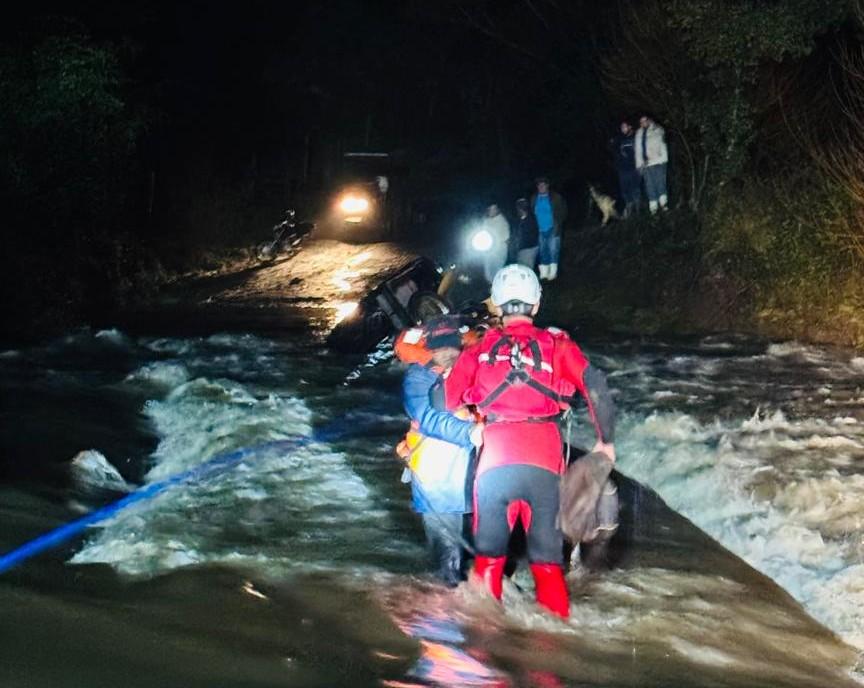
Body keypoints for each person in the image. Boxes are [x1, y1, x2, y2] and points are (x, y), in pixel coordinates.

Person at [445, 264, 616, 618]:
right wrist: (605, 442)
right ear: (536, 306)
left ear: (496, 305)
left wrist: (473, 413)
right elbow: (596, 385)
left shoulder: (478, 351)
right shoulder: (557, 346)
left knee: (488, 563)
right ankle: (550, 663)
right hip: (543, 467)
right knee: (547, 566)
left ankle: (481, 650)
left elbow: (447, 399)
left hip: (494, 466)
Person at [395, 316, 484, 586]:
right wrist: (470, 433)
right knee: (447, 563)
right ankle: (443, 616)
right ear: (430, 349)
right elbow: (429, 418)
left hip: (474, 483)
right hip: (437, 486)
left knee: (477, 557)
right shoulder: (417, 380)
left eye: (453, 349)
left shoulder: (473, 372)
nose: (448, 355)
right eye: (442, 349)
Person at [530, 178, 568, 282]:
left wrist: (558, 223)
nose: (541, 187)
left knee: (553, 250)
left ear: (547, 186)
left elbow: (563, 211)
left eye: (543, 185)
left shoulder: (555, 197)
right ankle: (544, 273)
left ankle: (553, 273)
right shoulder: (534, 198)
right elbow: (532, 212)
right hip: (540, 229)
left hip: (553, 228)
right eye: (539, 185)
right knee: (543, 251)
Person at [634, 115, 669, 214]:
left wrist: (664, 159)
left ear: (649, 120)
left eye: (645, 120)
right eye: (641, 122)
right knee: (649, 185)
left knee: (660, 183)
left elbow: (663, 145)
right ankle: (653, 207)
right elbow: (638, 151)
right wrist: (638, 165)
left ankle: (663, 204)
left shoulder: (658, 130)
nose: (643, 123)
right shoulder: (638, 133)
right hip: (645, 165)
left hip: (658, 161)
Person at [611, 120, 640, 217]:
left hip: (633, 168)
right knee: (625, 191)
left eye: (625, 127)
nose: (623, 129)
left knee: (635, 189)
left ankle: (638, 210)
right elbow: (613, 149)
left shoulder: (635, 137)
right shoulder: (619, 139)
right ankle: (629, 209)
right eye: (621, 127)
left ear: (630, 127)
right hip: (622, 170)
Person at [479, 204, 510, 285]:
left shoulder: (502, 221)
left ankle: (497, 288)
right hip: (488, 251)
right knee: (488, 273)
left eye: (494, 209)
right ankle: (489, 288)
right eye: (490, 209)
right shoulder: (486, 221)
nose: (492, 211)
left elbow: (506, 238)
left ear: (497, 210)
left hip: (499, 251)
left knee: (497, 272)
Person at [511, 198, 539, 270]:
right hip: (522, 249)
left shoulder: (531, 219)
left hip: (529, 249)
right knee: (520, 268)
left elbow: (530, 236)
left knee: (527, 269)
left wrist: (519, 245)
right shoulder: (519, 219)